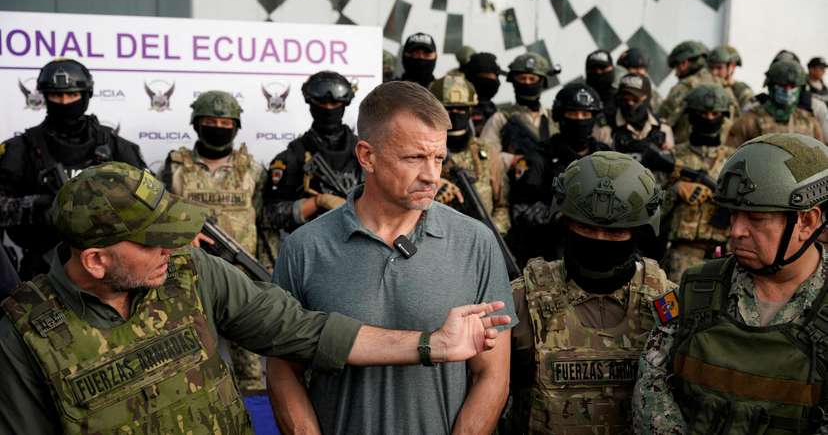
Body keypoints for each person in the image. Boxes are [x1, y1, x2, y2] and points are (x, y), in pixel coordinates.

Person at [0, 161, 511, 435]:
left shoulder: (190, 272)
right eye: (153, 241)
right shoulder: (23, 335)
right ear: (95, 260)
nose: (172, 249)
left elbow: (301, 330)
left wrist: (431, 346)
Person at [266, 80, 517, 435]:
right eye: (414, 157)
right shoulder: (305, 248)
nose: (432, 175)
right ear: (367, 156)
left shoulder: (475, 243)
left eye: (439, 158)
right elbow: (282, 371)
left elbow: (492, 374)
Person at [634, 133, 828, 434]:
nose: (736, 230)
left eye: (755, 217)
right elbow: (652, 383)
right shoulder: (695, 289)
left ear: (806, 222)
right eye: (733, 214)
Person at [509, 151, 675, 434]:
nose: (599, 240)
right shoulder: (523, 299)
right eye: (586, 227)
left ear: (637, 231)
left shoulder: (665, 302)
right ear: (566, 223)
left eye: (615, 233)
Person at [158, 90, 268, 396]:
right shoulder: (174, 167)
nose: (217, 126)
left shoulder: (253, 170)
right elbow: (157, 219)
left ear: (235, 126)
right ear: (196, 124)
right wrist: (181, 231)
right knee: (187, 365)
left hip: (243, 280)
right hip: (185, 280)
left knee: (251, 369)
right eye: (209, 121)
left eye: (224, 121)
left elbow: (263, 220)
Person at [0, 58, 145, 279]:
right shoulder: (20, 148)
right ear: (45, 97)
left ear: (86, 95)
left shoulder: (114, 146)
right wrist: (42, 207)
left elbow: (150, 200)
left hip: (108, 267)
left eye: (72, 95)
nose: (64, 102)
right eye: (56, 96)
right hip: (43, 268)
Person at [508, 83, 609, 265]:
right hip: (551, 260)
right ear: (559, 117)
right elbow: (520, 214)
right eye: (573, 114)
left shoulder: (608, 158)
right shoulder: (538, 159)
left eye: (586, 114)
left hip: (602, 255)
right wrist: (563, 214)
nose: (579, 120)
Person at [261, 71, 362, 233]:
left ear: (345, 104)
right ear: (310, 103)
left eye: (334, 104)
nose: (328, 108)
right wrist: (317, 202)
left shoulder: (364, 153)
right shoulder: (292, 157)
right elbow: (269, 215)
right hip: (312, 247)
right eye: (322, 103)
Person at [661, 84, 734, 281]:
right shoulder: (671, 158)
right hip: (683, 255)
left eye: (715, 114)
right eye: (702, 113)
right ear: (691, 116)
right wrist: (675, 190)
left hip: (726, 256)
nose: (709, 119)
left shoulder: (736, 159)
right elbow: (651, 211)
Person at [428, 74, 510, 236]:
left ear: (470, 110)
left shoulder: (486, 152)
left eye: (461, 109)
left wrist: (490, 234)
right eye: (448, 109)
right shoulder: (422, 152)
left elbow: (503, 206)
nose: (455, 114)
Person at [480, 52, 560, 173]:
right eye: (522, 78)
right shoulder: (501, 118)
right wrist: (515, 160)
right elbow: (484, 156)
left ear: (542, 81)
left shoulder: (554, 118)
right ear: (514, 81)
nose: (527, 83)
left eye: (532, 79)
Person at [727, 59, 822, 147]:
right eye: (782, 86)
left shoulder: (809, 121)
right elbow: (729, 156)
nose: (787, 91)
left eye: (792, 86)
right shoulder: (749, 121)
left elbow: (822, 158)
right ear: (771, 87)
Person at [659, 40, 736, 127]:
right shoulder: (724, 86)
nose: (676, 74)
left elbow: (662, 120)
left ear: (684, 63)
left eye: (677, 67)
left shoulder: (684, 87)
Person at [611, 73, 674, 154]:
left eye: (635, 99)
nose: (630, 103)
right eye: (626, 99)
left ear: (647, 98)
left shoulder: (663, 129)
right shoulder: (607, 127)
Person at [461, 52, 506, 135]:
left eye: (492, 77)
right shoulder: (459, 111)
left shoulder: (496, 111)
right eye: (483, 77)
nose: (488, 82)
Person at [708, 45, 754, 111]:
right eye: (711, 67)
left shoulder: (741, 91)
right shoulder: (705, 87)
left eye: (719, 68)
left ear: (732, 67)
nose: (714, 72)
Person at [617, 47, 663, 111]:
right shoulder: (616, 89)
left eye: (643, 68)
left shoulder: (653, 95)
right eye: (635, 67)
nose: (641, 72)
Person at [585, 49, 618, 127]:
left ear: (611, 68)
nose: (598, 72)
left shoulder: (621, 98)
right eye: (593, 69)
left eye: (602, 68)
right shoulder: (582, 98)